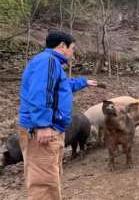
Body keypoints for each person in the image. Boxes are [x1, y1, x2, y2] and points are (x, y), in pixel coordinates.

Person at [18, 30, 98, 200]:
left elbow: (60, 86)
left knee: (50, 177)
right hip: (44, 130)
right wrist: (43, 125)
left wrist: (83, 82)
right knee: (44, 182)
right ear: (62, 46)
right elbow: (41, 93)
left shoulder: (49, 62)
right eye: (72, 48)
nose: (73, 52)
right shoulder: (48, 62)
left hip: (52, 128)